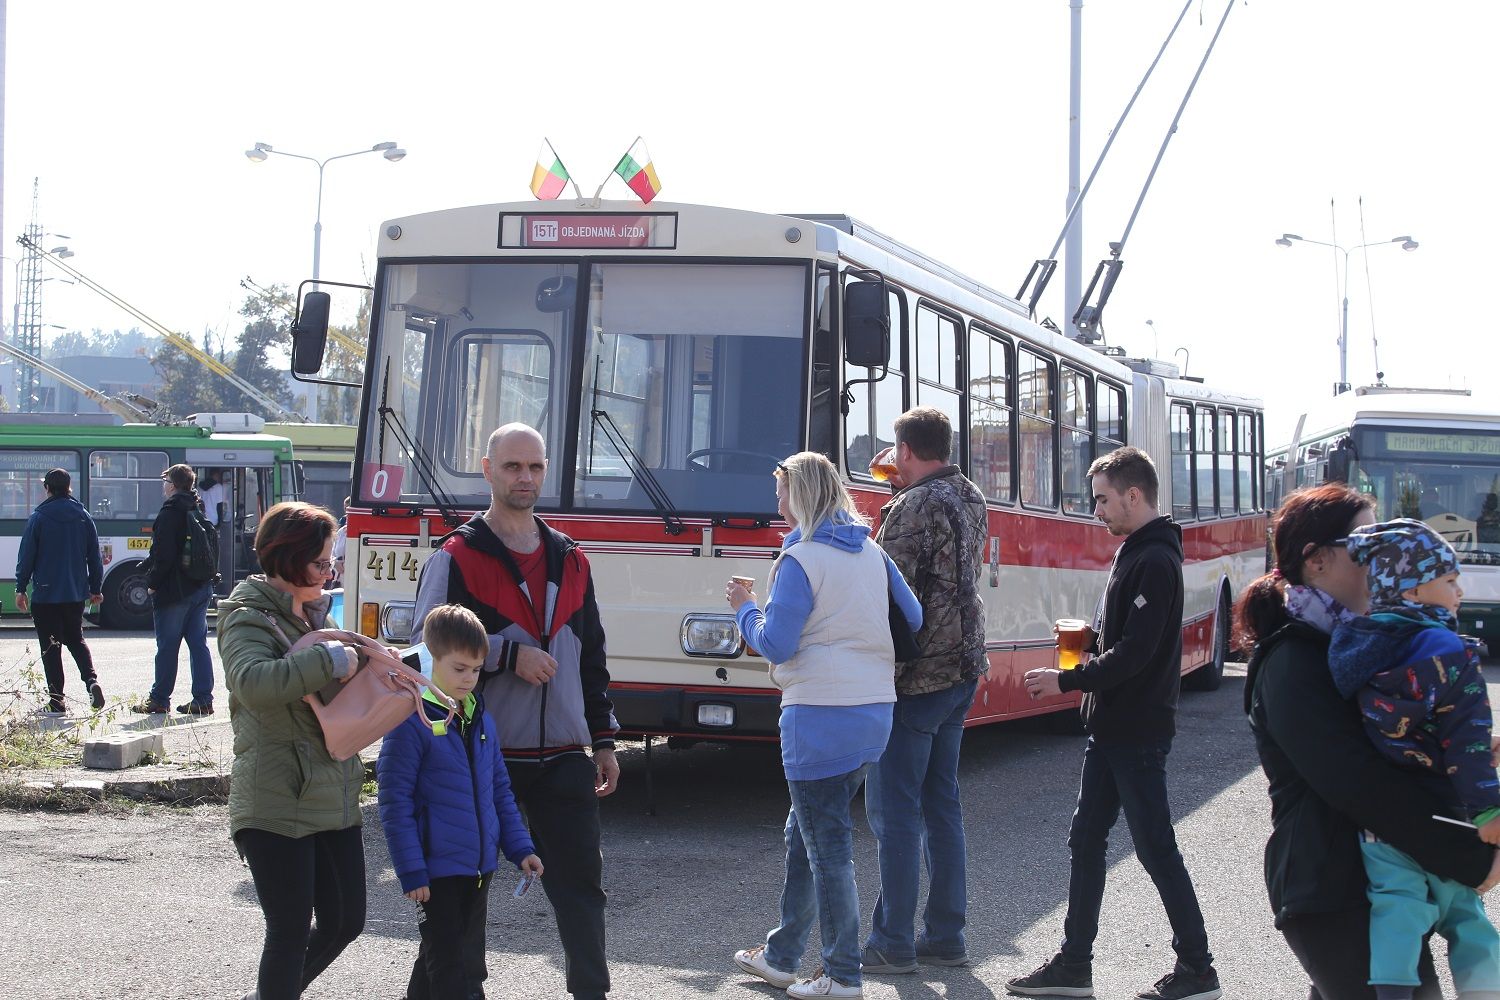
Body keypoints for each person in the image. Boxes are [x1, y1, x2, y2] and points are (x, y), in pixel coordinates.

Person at [1238, 484, 1500, 1000]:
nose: (1383, 553)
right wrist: (1472, 858)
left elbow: (1395, 747)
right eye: (1364, 542)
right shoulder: (1295, 659)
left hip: (1384, 880)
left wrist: (1460, 746)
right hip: (1332, 891)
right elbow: (1359, 782)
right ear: (1317, 562)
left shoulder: (1363, 647)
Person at [410, 422, 618, 1000]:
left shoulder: (572, 558)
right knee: (461, 897)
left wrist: (603, 739)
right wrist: (506, 654)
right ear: (487, 470)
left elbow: (593, 658)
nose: (525, 478)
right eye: (512, 467)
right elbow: (425, 649)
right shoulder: (456, 556)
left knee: (581, 890)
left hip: (563, 757)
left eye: (534, 467)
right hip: (479, 754)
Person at [1009, 446, 1221, 1000]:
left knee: (1154, 848)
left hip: (1136, 729)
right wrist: (1084, 655)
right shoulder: (1135, 553)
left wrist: (1069, 679)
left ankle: (1197, 970)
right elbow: (1125, 643)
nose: (1096, 510)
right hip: (1114, 727)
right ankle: (1074, 965)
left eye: (1103, 499)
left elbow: (1138, 653)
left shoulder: (1153, 559)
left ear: (1134, 495)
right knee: (1087, 840)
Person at [729, 451, 922, 1000]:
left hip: (818, 714)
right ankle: (782, 955)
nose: (777, 502)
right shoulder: (871, 551)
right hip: (874, 712)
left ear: (801, 495)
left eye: (781, 492)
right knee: (807, 833)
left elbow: (776, 643)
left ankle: (842, 974)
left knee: (826, 846)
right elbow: (914, 617)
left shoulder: (800, 560)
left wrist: (744, 607)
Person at [1327, 518, 1500, 1000]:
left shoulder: (1357, 652)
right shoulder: (1453, 657)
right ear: (1417, 589)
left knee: (1396, 911)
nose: (1459, 590)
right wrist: (1489, 809)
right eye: (1449, 580)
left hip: (1382, 824)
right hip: (1447, 815)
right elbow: (1465, 745)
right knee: (1468, 921)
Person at [216, 501, 367, 1000]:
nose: (329, 572)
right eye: (322, 562)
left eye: (331, 563)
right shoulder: (247, 617)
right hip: (276, 796)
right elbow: (253, 683)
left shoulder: (312, 614)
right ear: (289, 558)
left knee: (347, 920)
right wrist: (329, 661)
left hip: (330, 789)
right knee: (289, 931)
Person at [859, 406, 987, 975]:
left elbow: (889, 585)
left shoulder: (914, 504)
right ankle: (946, 934)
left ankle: (892, 940)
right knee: (942, 805)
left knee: (895, 811)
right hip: (964, 666)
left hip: (919, 674)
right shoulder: (971, 494)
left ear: (906, 450)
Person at [380, 603, 545, 1000]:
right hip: (434, 871)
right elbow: (394, 802)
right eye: (459, 669)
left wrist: (520, 847)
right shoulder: (409, 720)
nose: (469, 679)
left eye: (475, 670)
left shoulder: (480, 719)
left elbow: (499, 791)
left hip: (478, 867)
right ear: (429, 657)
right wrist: (411, 870)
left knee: (444, 956)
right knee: (456, 968)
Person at [15, 468, 104, 714]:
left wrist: (20, 588)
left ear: (47, 488)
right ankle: (91, 681)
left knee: (51, 646)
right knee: (76, 639)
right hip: (75, 593)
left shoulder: (39, 517)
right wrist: (95, 588)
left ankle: (57, 701)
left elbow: (27, 557)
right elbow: (95, 557)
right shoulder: (83, 516)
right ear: (69, 487)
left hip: (45, 594)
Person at [132, 463, 217, 715]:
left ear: (172, 484)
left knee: (168, 647)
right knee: (198, 644)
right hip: (201, 587)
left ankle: (159, 699)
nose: (163, 485)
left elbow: (165, 555)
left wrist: (152, 584)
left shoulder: (169, 512)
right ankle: (203, 699)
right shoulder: (197, 507)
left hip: (175, 590)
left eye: (165, 480)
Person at [330, 495, 351, 587]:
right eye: (345, 508)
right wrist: (336, 563)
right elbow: (332, 553)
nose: (347, 512)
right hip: (340, 579)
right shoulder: (341, 531)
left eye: (349, 508)